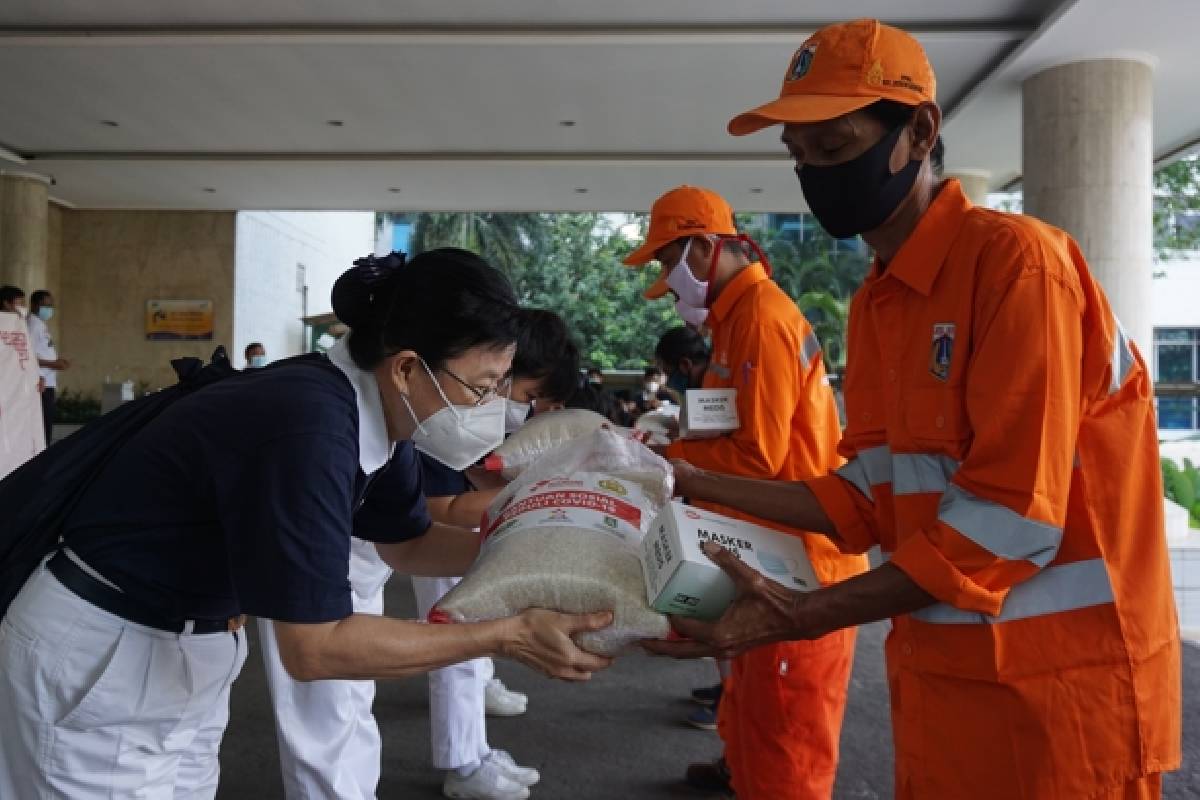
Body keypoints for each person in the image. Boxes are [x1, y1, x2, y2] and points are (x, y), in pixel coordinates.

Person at [646, 19, 1181, 800]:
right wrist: (687, 482)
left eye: (832, 149)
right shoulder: (878, 304)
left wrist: (805, 611)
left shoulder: (1018, 268)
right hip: (942, 679)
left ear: (920, 130)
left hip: (1066, 698)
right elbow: (868, 494)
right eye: (799, 159)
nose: (815, 176)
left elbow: (1010, 518)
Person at [0, 249, 612, 799]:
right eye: (480, 388)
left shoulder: (382, 415)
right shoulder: (311, 426)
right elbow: (316, 648)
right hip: (106, 654)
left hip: (184, 651)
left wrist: (534, 551)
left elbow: (407, 541)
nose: (488, 410)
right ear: (406, 368)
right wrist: (504, 634)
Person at [625, 185, 868, 799]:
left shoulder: (761, 320)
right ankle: (740, 769)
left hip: (804, 561)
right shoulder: (739, 319)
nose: (665, 279)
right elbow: (735, 427)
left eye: (666, 262)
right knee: (753, 694)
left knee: (788, 733)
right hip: (767, 549)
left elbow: (758, 457)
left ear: (705, 248)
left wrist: (671, 459)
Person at [411, 307, 580, 800]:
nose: (528, 410)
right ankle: (463, 763)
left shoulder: (472, 400)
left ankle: (470, 755)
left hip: (402, 534)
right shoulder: (453, 405)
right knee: (453, 640)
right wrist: (544, 492)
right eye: (529, 395)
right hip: (384, 538)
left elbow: (474, 477)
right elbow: (447, 507)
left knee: (464, 642)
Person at [28, 290, 68, 446]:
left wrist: (57, 361)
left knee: (47, 425)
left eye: (51, 305)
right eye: (45, 305)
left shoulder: (39, 324)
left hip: (48, 382)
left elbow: (42, 351)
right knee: (43, 428)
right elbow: (29, 356)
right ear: (34, 305)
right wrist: (53, 364)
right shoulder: (32, 324)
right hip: (41, 383)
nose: (49, 309)